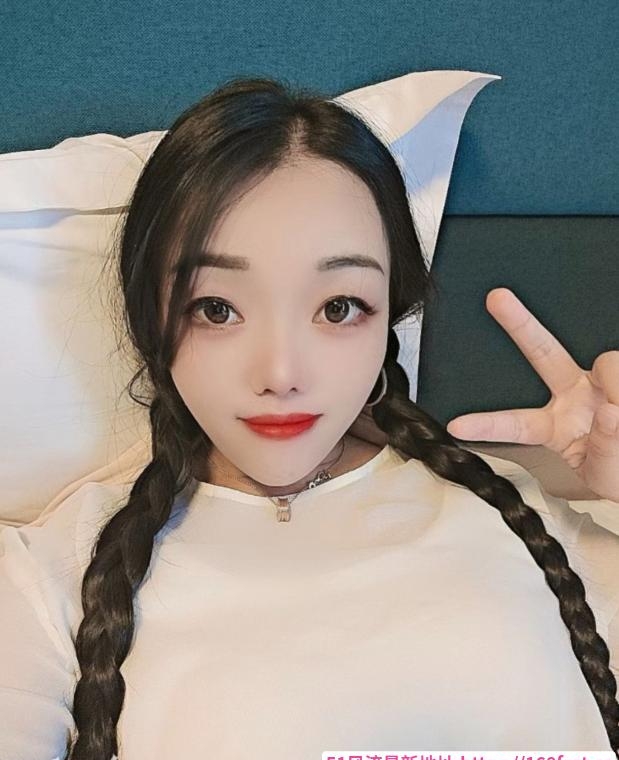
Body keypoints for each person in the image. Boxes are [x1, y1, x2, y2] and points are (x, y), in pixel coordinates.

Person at [1, 75, 619, 760]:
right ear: (152, 321)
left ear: (389, 316)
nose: (280, 374)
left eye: (337, 308)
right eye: (216, 309)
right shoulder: (46, 579)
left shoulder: (519, 514)